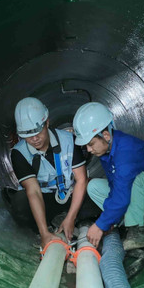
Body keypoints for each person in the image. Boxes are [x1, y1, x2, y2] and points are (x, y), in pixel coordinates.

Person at [72, 102, 144, 250]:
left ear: (105, 135)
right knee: (93, 186)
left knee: (133, 180)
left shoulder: (126, 152)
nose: (88, 149)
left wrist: (100, 225)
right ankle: (137, 223)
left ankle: (137, 231)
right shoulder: (108, 149)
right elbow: (114, 187)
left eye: (91, 144)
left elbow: (122, 194)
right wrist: (109, 220)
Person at [7, 97, 100, 248]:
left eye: (38, 131)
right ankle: (47, 228)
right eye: (28, 136)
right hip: (45, 200)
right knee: (20, 203)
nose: (35, 139)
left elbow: (81, 180)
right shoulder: (19, 153)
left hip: (71, 194)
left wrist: (71, 217)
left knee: (95, 190)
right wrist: (44, 233)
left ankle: (77, 222)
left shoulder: (69, 140)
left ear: (47, 122)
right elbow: (33, 192)